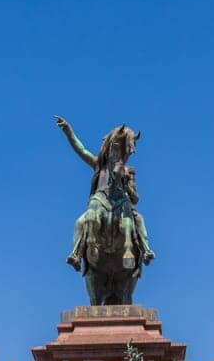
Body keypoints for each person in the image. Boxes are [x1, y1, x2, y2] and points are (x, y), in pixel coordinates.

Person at [56, 116, 155, 270]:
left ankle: (146, 250)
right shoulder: (98, 165)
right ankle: (76, 254)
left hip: (121, 202)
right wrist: (69, 132)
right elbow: (80, 149)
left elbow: (135, 199)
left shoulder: (129, 171)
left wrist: (127, 187)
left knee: (139, 219)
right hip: (99, 199)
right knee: (80, 222)